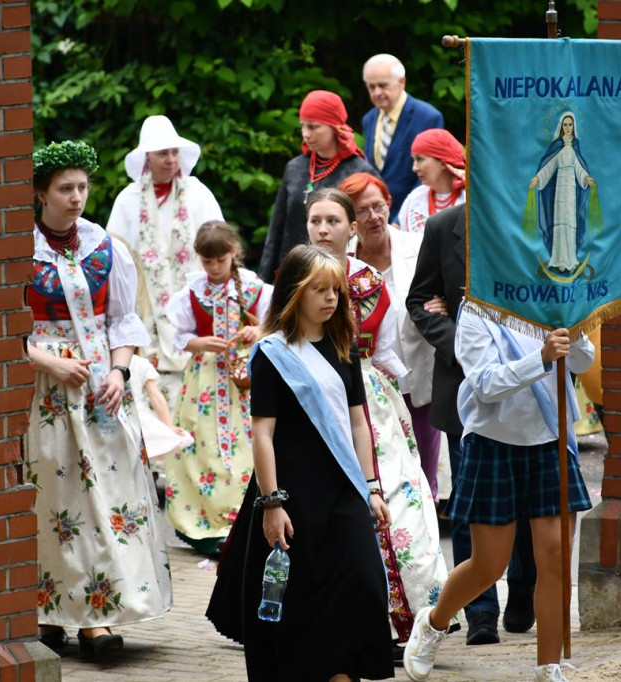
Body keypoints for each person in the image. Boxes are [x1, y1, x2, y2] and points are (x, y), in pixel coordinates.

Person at [206, 245, 394, 681]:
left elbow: (358, 424)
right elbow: (263, 433)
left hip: (345, 489)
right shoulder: (273, 354)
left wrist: (373, 488)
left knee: (364, 583)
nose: (330, 298)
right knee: (304, 599)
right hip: (292, 494)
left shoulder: (343, 346)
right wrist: (272, 503)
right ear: (294, 292)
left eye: (335, 290)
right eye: (319, 290)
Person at [25, 140, 172, 659]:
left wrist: (119, 368)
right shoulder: (20, 249)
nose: (76, 197)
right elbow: (3, 329)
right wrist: (50, 361)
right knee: (56, 502)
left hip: (100, 391)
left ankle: (98, 615)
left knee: (108, 502)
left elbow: (123, 322)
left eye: (83, 187)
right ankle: (50, 612)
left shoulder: (104, 246)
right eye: (65, 188)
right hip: (48, 391)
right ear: (41, 193)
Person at [403, 309, 595, 682]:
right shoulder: (477, 309)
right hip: (492, 440)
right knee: (488, 565)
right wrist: (541, 357)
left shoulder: (551, 302)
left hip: (548, 438)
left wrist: (577, 333)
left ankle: (548, 667)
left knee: (554, 557)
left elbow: (583, 361)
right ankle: (433, 622)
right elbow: (486, 384)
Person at [306, 188, 452, 650]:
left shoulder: (369, 280)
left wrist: (398, 405)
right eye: (315, 221)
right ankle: (330, 620)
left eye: (332, 221)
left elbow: (387, 351)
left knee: (399, 501)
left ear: (352, 229)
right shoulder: (293, 276)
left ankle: (408, 618)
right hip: (312, 395)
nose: (323, 229)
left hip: (370, 400)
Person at [406, 204, 539, 644]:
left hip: (527, 383)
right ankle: (480, 609)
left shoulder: (529, 219)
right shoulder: (445, 227)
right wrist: (457, 342)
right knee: (471, 500)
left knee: (525, 501)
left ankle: (522, 588)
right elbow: (419, 300)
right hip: (466, 389)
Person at [163, 221, 272, 556]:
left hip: (244, 380)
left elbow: (276, 324)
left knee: (244, 446)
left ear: (234, 253)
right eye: (207, 261)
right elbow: (178, 336)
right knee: (202, 445)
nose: (213, 268)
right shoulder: (192, 293)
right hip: (204, 381)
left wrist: (258, 332)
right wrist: (198, 342)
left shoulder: (254, 290)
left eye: (219, 261)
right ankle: (206, 527)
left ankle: (243, 522)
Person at [106, 115, 223, 401]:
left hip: (194, 300)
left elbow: (221, 246)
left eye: (174, 152)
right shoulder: (128, 199)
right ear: (147, 156)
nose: (171, 159)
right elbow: (115, 263)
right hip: (148, 308)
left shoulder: (198, 193)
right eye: (162, 153)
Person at [339, 172, 441, 498]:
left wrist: (443, 305)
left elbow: (445, 291)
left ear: (389, 205)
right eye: (362, 211)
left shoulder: (418, 246)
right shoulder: (339, 263)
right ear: (350, 220)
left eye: (378, 207)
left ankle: (426, 542)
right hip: (365, 386)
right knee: (373, 470)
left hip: (416, 378)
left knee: (422, 469)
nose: (373, 217)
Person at [258, 90, 379, 283]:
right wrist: (264, 280)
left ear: (334, 128)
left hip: (336, 276)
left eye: (314, 127)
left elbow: (372, 230)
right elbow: (277, 228)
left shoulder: (359, 171)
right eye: (303, 126)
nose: (306, 134)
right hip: (292, 271)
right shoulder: (295, 167)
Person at [361, 54, 445, 217]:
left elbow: (430, 174)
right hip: (375, 217)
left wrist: (403, 217)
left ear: (402, 82)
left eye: (383, 85)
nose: (377, 92)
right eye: (371, 87)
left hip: (412, 215)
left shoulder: (427, 117)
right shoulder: (369, 119)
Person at [528, 112, 597, 273]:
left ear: (574, 127)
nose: (567, 128)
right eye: (565, 125)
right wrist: (537, 179)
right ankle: (558, 259)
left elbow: (579, 168)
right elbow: (550, 166)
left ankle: (570, 259)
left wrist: (587, 178)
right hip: (559, 188)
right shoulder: (557, 146)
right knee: (560, 222)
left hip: (571, 189)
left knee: (570, 222)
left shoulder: (575, 146)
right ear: (561, 127)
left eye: (570, 125)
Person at [396, 129, 466, 233]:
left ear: (443, 162)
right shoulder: (415, 199)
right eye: (413, 160)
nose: (414, 168)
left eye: (420, 159)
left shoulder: (469, 199)